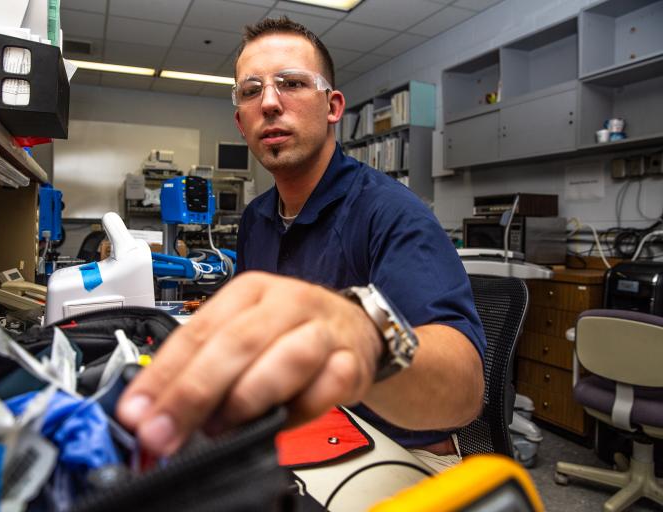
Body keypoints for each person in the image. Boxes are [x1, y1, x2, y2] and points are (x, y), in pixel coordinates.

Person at [118, 16, 485, 473]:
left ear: (332, 106)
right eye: (251, 91)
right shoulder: (257, 218)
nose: (269, 102)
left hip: (400, 451)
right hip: (305, 431)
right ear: (240, 121)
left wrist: (359, 328)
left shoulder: (392, 212)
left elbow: (464, 388)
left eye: (291, 83)